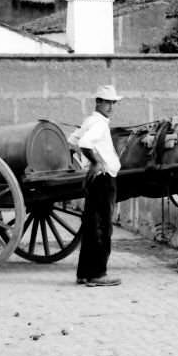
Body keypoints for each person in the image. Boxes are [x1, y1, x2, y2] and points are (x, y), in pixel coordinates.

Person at [69, 85, 124, 287]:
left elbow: (72, 140)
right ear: (98, 102)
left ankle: (84, 273)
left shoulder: (91, 121)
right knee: (103, 226)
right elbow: (84, 143)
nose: (111, 106)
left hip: (96, 180)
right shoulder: (99, 124)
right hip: (103, 179)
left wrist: (86, 161)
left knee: (92, 225)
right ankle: (98, 274)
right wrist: (96, 161)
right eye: (107, 102)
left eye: (113, 103)